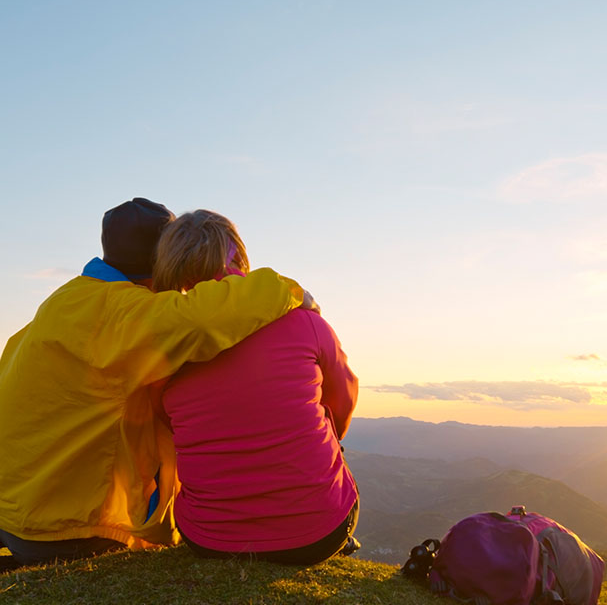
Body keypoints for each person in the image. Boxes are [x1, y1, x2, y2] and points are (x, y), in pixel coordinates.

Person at [0, 197, 317, 568]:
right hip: (60, 530)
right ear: (166, 258)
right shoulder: (125, 312)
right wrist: (289, 290)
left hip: (13, 507)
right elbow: (200, 321)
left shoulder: (70, 298)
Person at [153, 209, 359, 565]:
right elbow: (342, 402)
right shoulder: (304, 321)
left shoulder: (164, 343)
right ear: (239, 256)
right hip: (318, 536)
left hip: (208, 539)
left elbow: (168, 422)